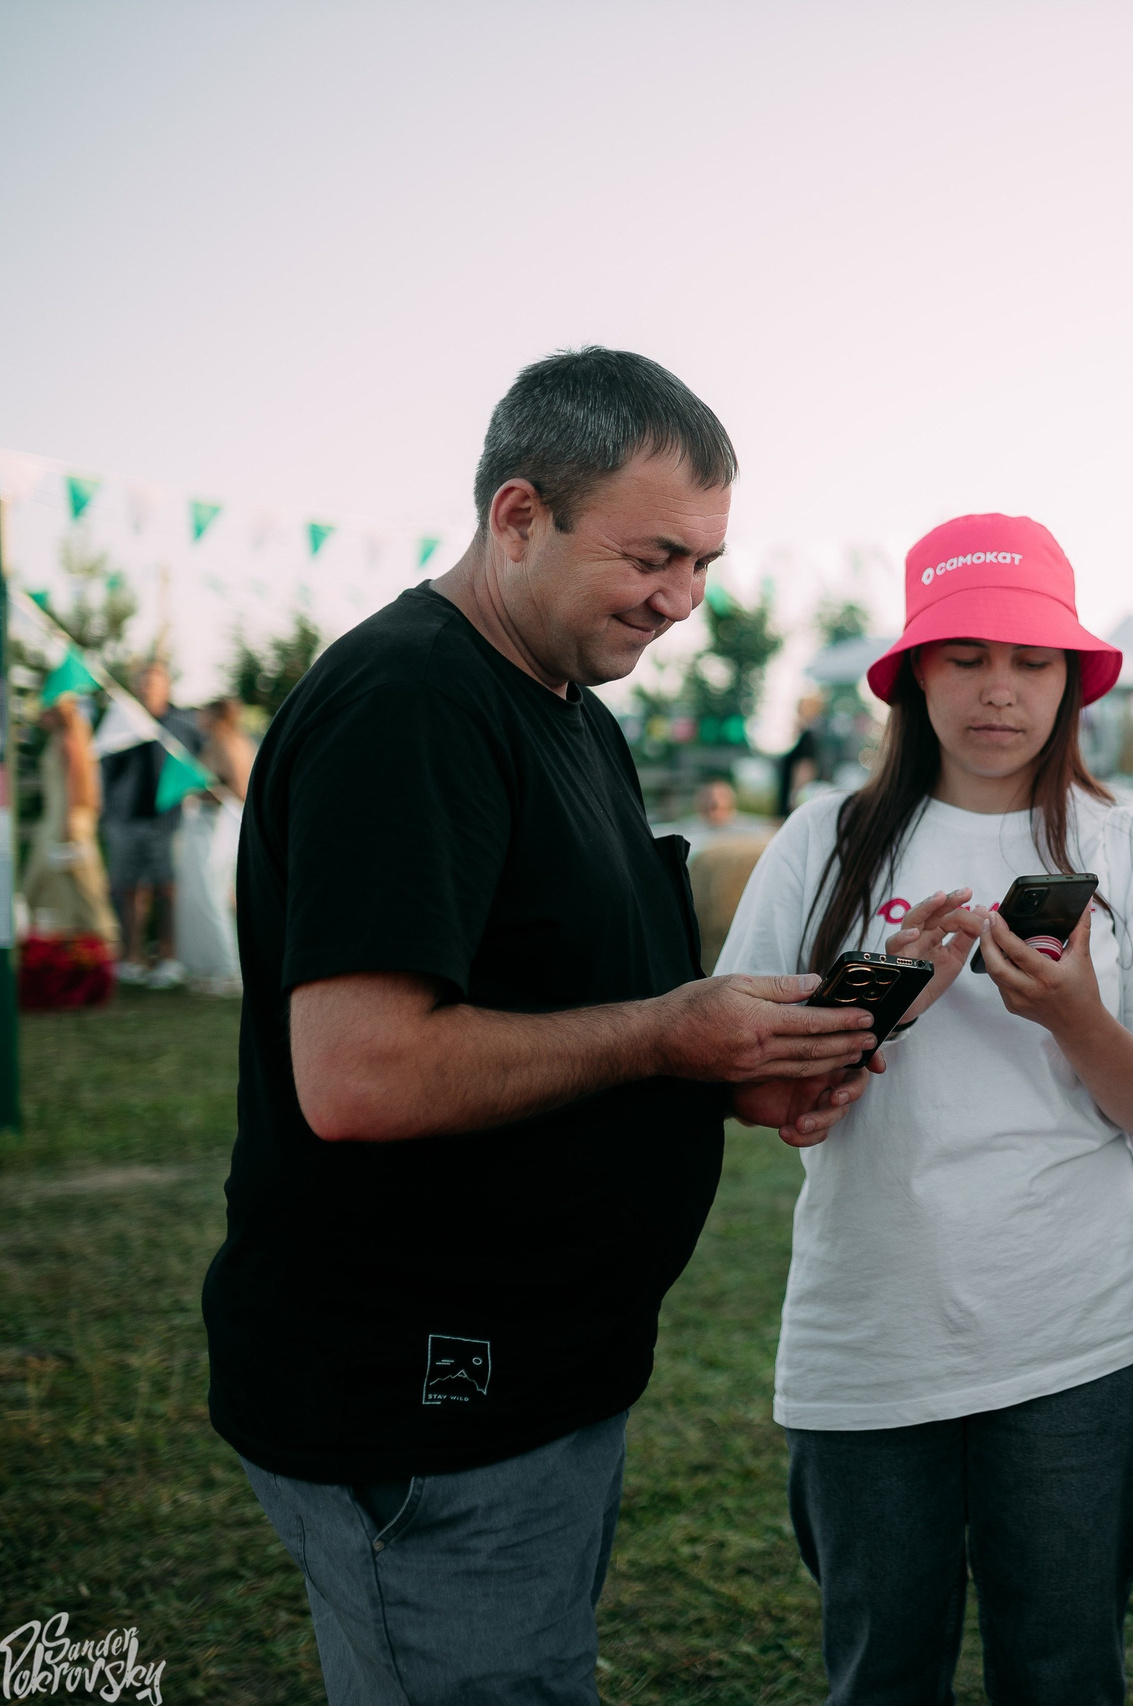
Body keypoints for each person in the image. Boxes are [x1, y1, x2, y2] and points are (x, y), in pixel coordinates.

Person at [202, 348, 883, 1706]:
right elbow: (361, 1071)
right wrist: (665, 1040)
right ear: (518, 517)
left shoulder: (568, 702)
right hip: (426, 1407)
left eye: (704, 563)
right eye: (653, 556)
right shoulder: (409, 706)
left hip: (535, 1385)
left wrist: (734, 1072)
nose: (681, 601)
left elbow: (573, 1000)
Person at [715, 512, 1133, 1706]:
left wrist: (1074, 1015)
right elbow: (749, 1083)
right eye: (966, 656)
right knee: (882, 1671)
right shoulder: (826, 843)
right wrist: (884, 1010)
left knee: (1062, 1669)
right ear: (912, 674)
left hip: (1075, 1332)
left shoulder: (1131, 849)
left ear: (1072, 679)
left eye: (1031, 661)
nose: (1000, 690)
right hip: (870, 1321)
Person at [99, 658, 201, 986]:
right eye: (142, 683)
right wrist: (111, 812)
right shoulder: (122, 721)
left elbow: (200, 769)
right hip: (127, 819)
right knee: (128, 888)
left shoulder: (183, 725)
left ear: (166, 687)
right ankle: (132, 957)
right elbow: (106, 766)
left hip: (167, 821)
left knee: (166, 889)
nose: (147, 688)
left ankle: (169, 957)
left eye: (154, 683)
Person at [25, 691, 120, 948]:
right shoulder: (63, 735)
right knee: (56, 882)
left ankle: (105, 940)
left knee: (84, 882)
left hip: (66, 820)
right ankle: (64, 943)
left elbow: (78, 782)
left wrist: (69, 826)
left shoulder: (71, 735)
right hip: (58, 818)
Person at [172, 697, 252, 994]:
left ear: (215, 716)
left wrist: (200, 794)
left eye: (203, 711)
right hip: (223, 825)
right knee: (220, 894)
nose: (197, 715)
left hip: (215, 826)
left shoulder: (222, 741)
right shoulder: (240, 740)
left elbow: (237, 789)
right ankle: (218, 965)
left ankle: (225, 968)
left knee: (210, 895)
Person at [779, 691, 829, 813]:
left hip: (796, 802)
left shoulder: (808, 737)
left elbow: (805, 768)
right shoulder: (812, 736)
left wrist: (794, 798)